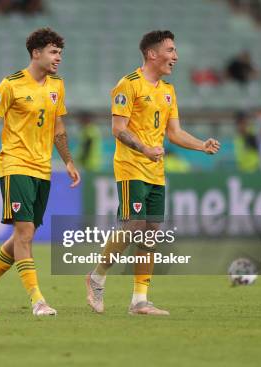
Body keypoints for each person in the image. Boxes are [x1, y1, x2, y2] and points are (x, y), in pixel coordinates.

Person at [85, 30, 220, 316]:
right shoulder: (128, 85)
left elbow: (175, 133)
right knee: (134, 225)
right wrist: (144, 149)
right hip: (131, 167)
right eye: (170, 50)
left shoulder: (168, 91)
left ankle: (139, 301)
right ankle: (96, 276)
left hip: (156, 172)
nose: (176, 56)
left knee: (151, 233)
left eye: (175, 50)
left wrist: (201, 145)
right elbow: (118, 129)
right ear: (152, 54)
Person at [0, 27, 80, 317]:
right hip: (15, 164)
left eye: (60, 53)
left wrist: (67, 161)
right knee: (25, 232)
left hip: (42, 169)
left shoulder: (58, 86)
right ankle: (38, 300)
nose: (58, 58)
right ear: (36, 53)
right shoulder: (10, 85)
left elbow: (58, 128)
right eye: (53, 52)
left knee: (23, 235)